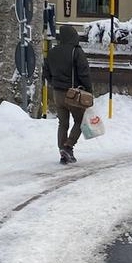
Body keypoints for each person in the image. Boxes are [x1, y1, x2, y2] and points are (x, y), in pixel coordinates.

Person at [43, 24, 92, 164]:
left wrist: (54, 83)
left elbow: (46, 71)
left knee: (62, 123)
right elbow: (84, 73)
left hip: (57, 93)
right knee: (80, 121)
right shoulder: (76, 51)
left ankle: (62, 152)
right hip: (73, 94)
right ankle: (68, 146)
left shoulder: (52, 52)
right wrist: (89, 91)